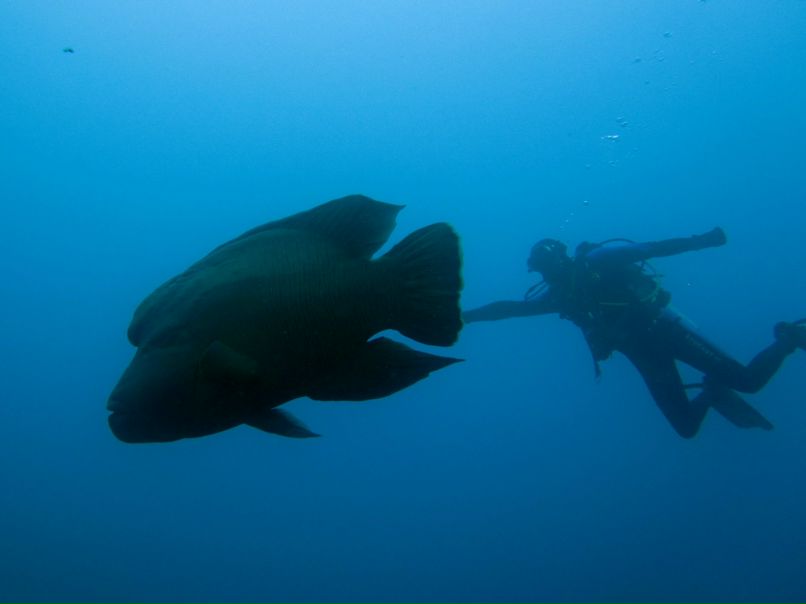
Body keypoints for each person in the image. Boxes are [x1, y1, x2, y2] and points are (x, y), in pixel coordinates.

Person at [463, 228, 805, 438]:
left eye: (548, 269)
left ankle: (788, 339)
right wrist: (464, 317)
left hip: (665, 331)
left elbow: (650, 249)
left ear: (560, 261)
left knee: (749, 382)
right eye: (541, 272)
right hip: (645, 357)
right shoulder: (560, 297)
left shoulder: (597, 261)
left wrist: (704, 240)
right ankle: (712, 392)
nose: (547, 278)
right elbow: (509, 309)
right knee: (685, 428)